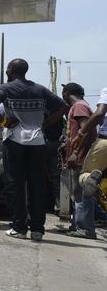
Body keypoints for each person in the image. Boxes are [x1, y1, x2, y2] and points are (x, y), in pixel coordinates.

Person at [0, 59, 66, 241]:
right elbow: (63, 106)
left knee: (15, 183)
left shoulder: (6, 88)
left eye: (8, 68)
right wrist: (43, 125)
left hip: (15, 140)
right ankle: (37, 229)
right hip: (38, 142)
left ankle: (19, 227)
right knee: (37, 184)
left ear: (12, 70)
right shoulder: (39, 89)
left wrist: (4, 121)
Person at [61, 83, 96, 239]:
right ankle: (78, 225)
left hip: (82, 157)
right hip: (81, 156)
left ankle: (85, 228)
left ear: (67, 93)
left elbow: (85, 130)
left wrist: (76, 152)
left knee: (81, 193)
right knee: (78, 193)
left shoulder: (79, 107)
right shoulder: (84, 106)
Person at [69, 87, 107, 202]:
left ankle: (90, 178)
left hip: (104, 142)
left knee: (85, 175)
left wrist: (80, 134)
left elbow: (99, 113)